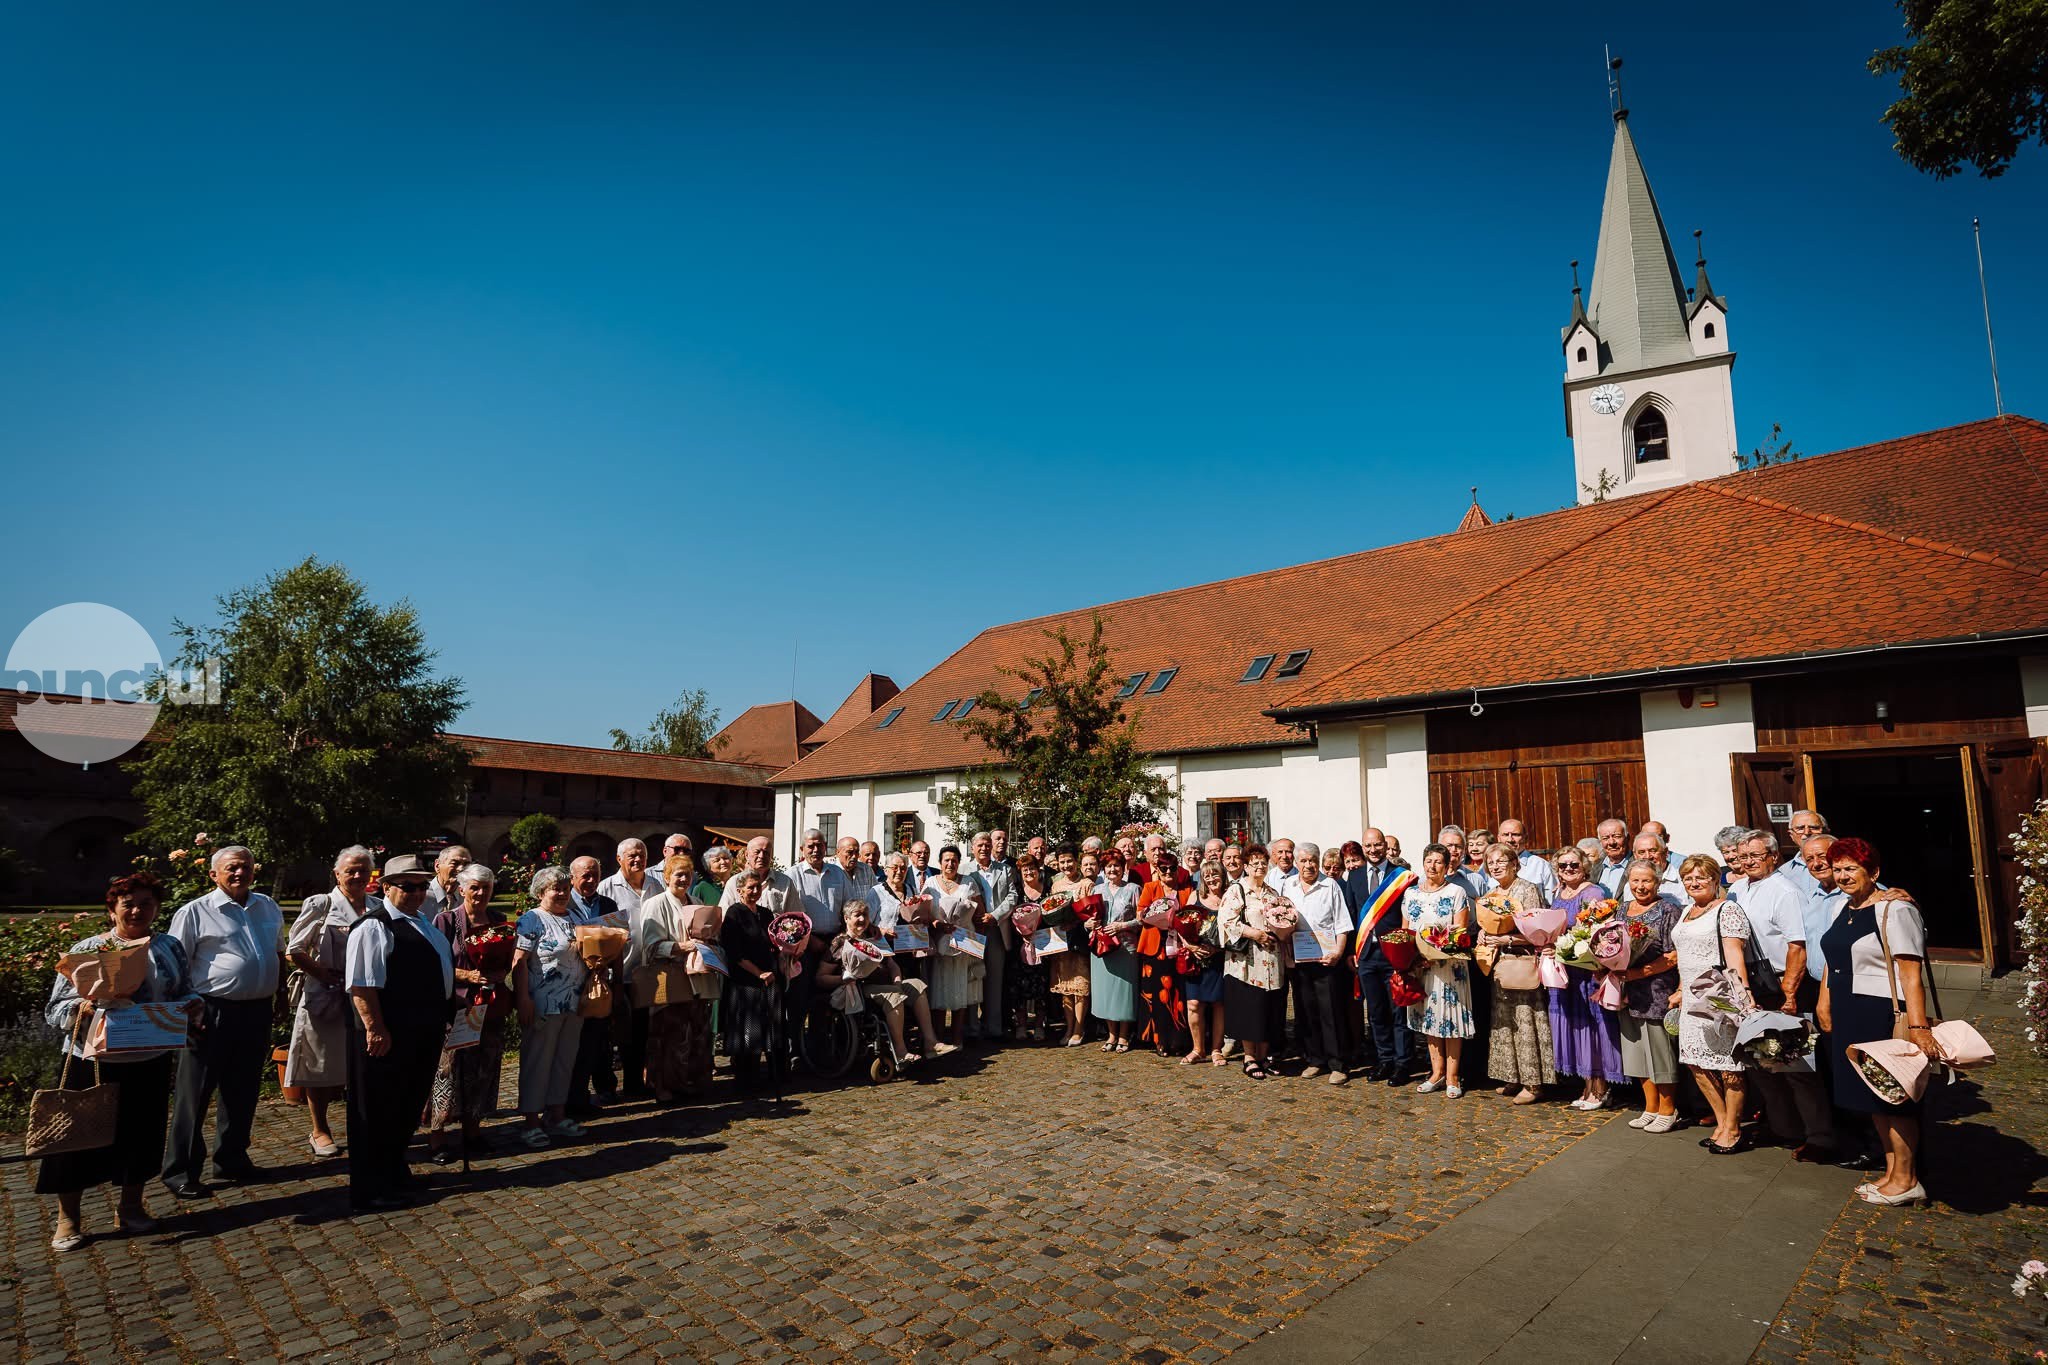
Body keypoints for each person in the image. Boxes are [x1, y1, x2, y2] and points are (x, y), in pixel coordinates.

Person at [41, 871, 197, 1251]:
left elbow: (185, 990)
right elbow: (54, 1010)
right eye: (129, 904)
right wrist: (84, 1005)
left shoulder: (170, 947)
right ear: (112, 910)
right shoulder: (89, 948)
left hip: (149, 1056)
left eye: (147, 904)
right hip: (92, 1059)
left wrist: (194, 1006)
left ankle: (130, 1208)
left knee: (141, 1135)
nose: (138, 910)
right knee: (75, 1138)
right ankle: (68, 1219)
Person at [162, 845, 285, 1200]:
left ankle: (231, 1158)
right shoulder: (195, 912)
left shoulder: (267, 905)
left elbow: (277, 952)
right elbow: (174, 965)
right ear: (213, 874)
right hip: (209, 1011)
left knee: (243, 1089)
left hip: (256, 1010)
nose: (239, 873)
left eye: (245, 867)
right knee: (194, 1093)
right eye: (231, 868)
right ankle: (180, 1169)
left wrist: (281, 996)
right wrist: (185, 1010)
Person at [1818, 838, 1935, 1206]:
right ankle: (1890, 1171)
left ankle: (1907, 1178)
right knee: (1871, 1097)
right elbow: (1831, 958)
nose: (1843, 875)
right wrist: (1825, 1000)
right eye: (1837, 869)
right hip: (1848, 1009)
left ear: (1874, 872)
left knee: (1893, 1096)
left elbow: (1910, 974)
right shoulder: (1843, 906)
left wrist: (1918, 1028)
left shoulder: (1895, 909)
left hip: (1880, 1010)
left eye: (1851, 868)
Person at [341, 855, 454, 1212]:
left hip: (422, 1031)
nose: (418, 892)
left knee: (405, 1106)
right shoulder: (374, 926)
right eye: (408, 886)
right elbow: (361, 984)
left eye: (422, 885)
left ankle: (393, 1170)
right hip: (389, 1034)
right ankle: (370, 1185)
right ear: (386, 887)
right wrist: (374, 1028)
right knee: (376, 1110)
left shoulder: (421, 922)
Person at [1734, 829, 1835, 1159]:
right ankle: (1784, 1128)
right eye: (1744, 855)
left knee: (1798, 1066)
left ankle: (1820, 1135)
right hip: (1750, 985)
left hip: (1781, 984)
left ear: (1773, 857)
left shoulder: (1785, 891)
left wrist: (1789, 992)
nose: (1749, 861)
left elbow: (1798, 945)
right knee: (1762, 1063)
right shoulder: (1737, 889)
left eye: (1756, 855)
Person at [284, 845, 376, 1159]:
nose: (357, 875)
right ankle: (319, 1129)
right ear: (336, 873)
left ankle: (364, 1127)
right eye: (351, 869)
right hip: (326, 994)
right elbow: (294, 950)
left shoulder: (377, 906)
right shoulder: (322, 904)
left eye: (363, 869)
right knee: (319, 1064)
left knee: (362, 1063)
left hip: (365, 994)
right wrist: (326, 976)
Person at [426, 863, 513, 1163]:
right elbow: (435, 964)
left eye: (485, 888)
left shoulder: (499, 920)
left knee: (483, 1071)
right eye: (474, 887)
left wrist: (501, 971)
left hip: (489, 1008)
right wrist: (468, 975)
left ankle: (473, 1132)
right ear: (461, 889)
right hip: (458, 1008)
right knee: (446, 1073)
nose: (480, 893)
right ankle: (438, 1137)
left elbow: (509, 958)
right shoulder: (446, 920)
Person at [1671, 855, 1754, 1154]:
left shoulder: (1727, 910)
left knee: (1729, 1065)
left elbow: (1735, 955)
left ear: (1714, 879)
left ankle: (1733, 1129)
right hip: (1691, 995)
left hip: (1720, 993)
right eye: (1688, 879)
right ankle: (1720, 1121)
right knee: (1695, 1061)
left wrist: (1742, 996)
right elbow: (1683, 956)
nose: (1693, 883)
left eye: (1700, 878)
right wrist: (1680, 990)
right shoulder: (1686, 912)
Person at [820, 899, 954, 1064]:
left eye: (865, 915)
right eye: (857, 915)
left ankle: (931, 1043)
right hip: (861, 988)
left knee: (916, 985)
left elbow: (892, 965)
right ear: (846, 918)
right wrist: (844, 979)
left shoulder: (874, 935)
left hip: (888, 985)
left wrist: (897, 981)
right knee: (894, 994)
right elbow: (820, 977)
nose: (862, 919)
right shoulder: (839, 942)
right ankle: (900, 1051)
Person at [512, 867, 589, 1148]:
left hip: (574, 1002)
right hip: (543, 1002)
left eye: (565, 889)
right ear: (541, 892)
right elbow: (519, 962)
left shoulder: (576, 917)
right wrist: (523, 999)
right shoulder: (531, 919)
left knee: (564, 1059)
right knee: (538, 1060)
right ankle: (531, 1121)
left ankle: (556, 1115)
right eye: (555, 889)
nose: (561, 894)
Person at [636, 853, 722, 1103]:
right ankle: (662, 1085)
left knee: (695, 1033)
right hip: (669, 978)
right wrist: (681, 947)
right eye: (679, 874)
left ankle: (689, 1081)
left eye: (688, 874)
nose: (684, 879)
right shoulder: (656, 904)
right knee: (667, 1034)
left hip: (697, 978)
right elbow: (649, 946)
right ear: (666, 877)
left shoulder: (694, 901)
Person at [1547, 846, 1624, 1111]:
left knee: (1592, 1026)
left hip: (1586, 969)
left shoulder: (1593, 892)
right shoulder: (1558, 892)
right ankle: (1587, 1084)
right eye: (1562, 866)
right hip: (1565, 969)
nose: (1568, 870)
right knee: (1575, 1026)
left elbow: (1597, 930)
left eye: (1573, 865)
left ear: (1584, 866)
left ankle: (1601, 1087)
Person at [1480, 844, 1554, 1104]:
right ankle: (1511, 1075)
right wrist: (1484, 934)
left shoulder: (1527, 889)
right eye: (1491, 862)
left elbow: (1538, 932)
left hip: (1522, 964)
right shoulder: (1490, 895)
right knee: (1504, 1021)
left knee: (1525, 1021)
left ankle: (1533, 1083)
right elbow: (1488, 927)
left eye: (1502, 861)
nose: (1496, 866)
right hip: (1499, 967)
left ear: (1515, 863)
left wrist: (1506, 940)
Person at [1615, 860, 1683, 1134]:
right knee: (1637, 1053)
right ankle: (1650, 1106)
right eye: (1635, 881)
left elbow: (1672, 956)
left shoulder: (1668, 910)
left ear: (1657, 883)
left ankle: (1669, 1109)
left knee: (1659, 1053)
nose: (1640, 886)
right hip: (1627, 992)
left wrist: (1638, 973)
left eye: (1647, 881)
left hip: (1656, 990)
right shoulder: (1620, 909)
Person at [1403, 844, 1475, 1096]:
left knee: (1450, 1020)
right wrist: (1413, 959)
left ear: (1447, 866)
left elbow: (1460, 932)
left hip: (1448, 967)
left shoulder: (1456, 892)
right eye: (1428, 861)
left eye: (1438, 862)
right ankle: (1437, 1072)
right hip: (1421, 968)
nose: (1432, 866)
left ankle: (1453, 1076)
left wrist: (1437, 953)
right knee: (1430, 1021)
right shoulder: (1411, 894)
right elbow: (1405, 933)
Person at [1347, 829, 1414, 1084]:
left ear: (1385, 846)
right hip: (1366, 955)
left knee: (1399, 1011)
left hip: (1394, 954)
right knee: (1375, 1012)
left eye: (1377, 845)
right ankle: (1384, 1060)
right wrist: (1350, 953)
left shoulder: (1401, 877)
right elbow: (1351, 917)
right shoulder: (1353, 877)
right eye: (1368, 846)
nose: (1373, 850)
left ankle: (1402, 1064)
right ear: (1362, 848)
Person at [598, 839, 662, 1103]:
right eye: (632, 856)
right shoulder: (608, 887)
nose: (638, 860)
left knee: (643, 1030)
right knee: (618, 1032)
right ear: (619, 858)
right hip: (619, 971)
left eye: (642, 855)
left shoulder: (655, 884)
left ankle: (637, 1083)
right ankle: (611, 1085)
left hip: (647, 970)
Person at [1285, 843, 1354, 1084]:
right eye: (1303, 861)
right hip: (1300, 960)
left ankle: (1338, 1064)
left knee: (1331, 1012)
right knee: (1306, 1011)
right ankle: (1315, 1060)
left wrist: (1337, 952)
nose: (1308, 865)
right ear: (1296, 863)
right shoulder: (1288, 887)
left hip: (1326, 959)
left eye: (1312, 860)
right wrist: (1287, 954)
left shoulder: (1330, 886)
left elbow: (1342, 924)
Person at [1220, 846, 1289, 1079]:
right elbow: (1227, 922)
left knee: (1269, 1008)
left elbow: (1282, 919)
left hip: (1271, 960)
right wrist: (1255, 934)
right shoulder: (1237, 891)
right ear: (1246, 867)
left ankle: (1264, 1056)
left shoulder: (1272, 893)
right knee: (1250, 1009)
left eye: (1263, 863)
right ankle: (1249, 1057)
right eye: (1254, 863)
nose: (1259, 867)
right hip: (1246, 963)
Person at [565, 857, 623, 1113]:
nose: (590, 881)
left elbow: (620, 943)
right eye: (585, 876)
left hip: (600, 982)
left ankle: (605, 1087)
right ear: (572, 878)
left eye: (594, 876)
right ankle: (574, 1095)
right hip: (571, 983)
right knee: (575, 1042)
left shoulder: (608, 904)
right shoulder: (563, 904)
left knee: (600, 1037)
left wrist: (617, 979)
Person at [718, 870, 785, 1089]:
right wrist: (758, 973)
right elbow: (733, 952)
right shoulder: (734, 914)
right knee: (750, 1029)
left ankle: (773, 1073)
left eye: (758, 887)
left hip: (770, 978)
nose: (755, 891)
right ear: (739, 891)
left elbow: (775, 942)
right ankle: (747, 1078)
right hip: (746, 980)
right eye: (750, 887)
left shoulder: (766, 913)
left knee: (772, 1025)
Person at [925, 846, 986, 1047]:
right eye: (946, 860)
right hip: (940, 943)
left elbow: (980, 914)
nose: (950, 864)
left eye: (954, 860)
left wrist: (976, 943)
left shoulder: (969, 882)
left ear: (959, 862)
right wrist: (937, 925)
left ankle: (958, 1038)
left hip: (963, 942)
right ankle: (940, 1038)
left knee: (961, 990)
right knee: (940, 989)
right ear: (940, 862)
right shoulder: (930, 883)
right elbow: (924, 914)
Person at [1134, 849, 1192, 1057]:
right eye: (1163, 868)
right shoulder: (1150, 887)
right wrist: (1155, 916)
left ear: (1178, 870)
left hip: (1179, 949)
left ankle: (1178, 1041)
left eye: (1172, 868)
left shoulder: (1186, 890)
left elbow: (1191, 915)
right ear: (1157, 870)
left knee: (1178, 995)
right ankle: (1160, 1041)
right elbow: (1140, 914)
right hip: (1155, 949)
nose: (1168, 872)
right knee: (1158, 997)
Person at [1087, 849, 1142, 1051]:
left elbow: (1142, 919)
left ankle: (1124, 1036)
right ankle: (1111, 1035)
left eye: (1116, 866)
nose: (1113, 869)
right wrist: (1089, 924)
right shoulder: (1097, 890)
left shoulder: (1134, 889)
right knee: (1106, 993)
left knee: (1124, 992)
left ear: (1123, 868)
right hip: (1102, 948)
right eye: (1109, 866)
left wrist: (1122, 926)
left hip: (1125, 949)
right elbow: (1089, 917)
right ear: (1104, 868)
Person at [968, 831, 1019, 1044]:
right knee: (972, 977)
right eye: (980, 845)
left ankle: (994, 1027)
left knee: (995, 980)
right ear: (973, 848)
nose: (984, 848)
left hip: (997, 929)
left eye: (987, 845)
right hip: (973, 930)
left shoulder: (1005, 870)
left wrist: (995, 915)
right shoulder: (965, 870)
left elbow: (1013, 895)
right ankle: (970, 1027)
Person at [1179, 858, 1230, 1066]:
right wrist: (1191, 947)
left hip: (1220, 958)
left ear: (1222, 875)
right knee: (1194, 1004)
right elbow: (1180, 926)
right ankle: (1198, 1049)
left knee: (1219, 1004)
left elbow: (1236, 927)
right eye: (1207, 875)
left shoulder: (1229, 897)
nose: (1211, 879)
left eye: (1215, 874)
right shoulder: (1195, 896)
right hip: (1197, 959)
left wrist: (1218, 948)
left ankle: (1216, 1049)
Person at [1047, 847, 1095, 1045]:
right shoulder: (1056, 885)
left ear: (1077, 861)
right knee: (1065, 989)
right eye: (1062, 861)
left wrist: (1076, 921)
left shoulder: (1087, 884)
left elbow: (1092, 912)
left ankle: (1078, 1029)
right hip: (1062, 941)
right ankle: (1068, 1028)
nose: (1066, 865)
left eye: (1070, 861)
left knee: (1080, 987)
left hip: (1081, 941)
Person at [1008, 846, 1054, 1042]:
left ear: (1038, 869)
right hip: (1021, 945)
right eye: (1024, 869)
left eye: (1031, 868)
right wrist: (1023, 932)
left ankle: (1039, 1026)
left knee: (1041, 987)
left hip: (1043, 944)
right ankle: (1021, 1025)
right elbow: (1011, 915)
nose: (1028, 872)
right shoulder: (1017, 892)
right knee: (1020, 987)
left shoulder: (1048, 889)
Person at [1494, 819, 1558, 901]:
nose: (1510, 840)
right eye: (1505, 835)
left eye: (1516, 835)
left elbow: (1552, 902)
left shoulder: (1541, 866)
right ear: (1498, 838)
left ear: (1525, 838)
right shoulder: (1490, 867)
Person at [1630, 832, 1685, 900]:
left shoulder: (1683, 881)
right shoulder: (1630, 885)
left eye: (1653, 851)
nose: (1647, 857)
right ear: (1635, 855)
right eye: (1642, 852)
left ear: (1665, 852)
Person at [423, 844, 472, 912]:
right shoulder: (420, 893)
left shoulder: (469, 896)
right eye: (455, 863)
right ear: (437, 866)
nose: (461, 869)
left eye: (467, 864)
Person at [1594, 819, 1631, 895]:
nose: (1611, 842)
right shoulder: (1594, 866)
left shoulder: (1638, 864)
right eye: (1605, 838)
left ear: (1627, 838)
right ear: (1600, 841)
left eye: (1617, 836)